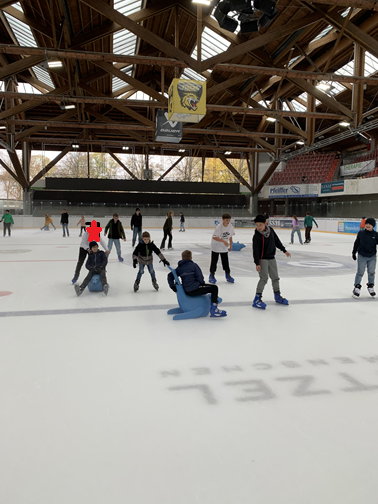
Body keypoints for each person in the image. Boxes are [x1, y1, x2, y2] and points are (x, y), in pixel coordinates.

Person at [168, 249, 227, 318]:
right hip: (195, 289)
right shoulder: (194, 265)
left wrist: (174, 288)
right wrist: (202, 285)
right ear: (191, 258)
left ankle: (213, 307)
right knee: (214, 288)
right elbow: (200, 278)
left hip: (186, 290)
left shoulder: (179, 268)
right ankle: (214, 309)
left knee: (210, 288)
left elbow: (170, 276)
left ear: (182, 258)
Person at [252, 214, 291, 309]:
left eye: (260, 225)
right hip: (262, 259)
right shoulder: (256, 236)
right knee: (264, 278)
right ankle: (257, 298)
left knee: (275, 278)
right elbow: (255, 250)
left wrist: (284, 250)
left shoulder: (271, 231)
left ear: (265, 223)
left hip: (272, 258)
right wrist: (257, 263)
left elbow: (276, 241)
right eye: (256, 225)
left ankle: (277, 296)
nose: (258, 227)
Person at [352, 217, 378, 298]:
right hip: (362, 255)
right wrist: (354, 252)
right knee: (360, 272)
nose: (368, 225)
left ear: (373, 225)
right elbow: (356, 243)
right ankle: (357, 287)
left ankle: (370, 286)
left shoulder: (376, 234)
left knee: (371, 272)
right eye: (366, 224)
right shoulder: (361, 233)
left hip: (372, 256)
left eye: (369, 224)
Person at [209, 212, 235, 284]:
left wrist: (231, 245)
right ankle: (212, 275)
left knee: (225, 262)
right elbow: (214, 237)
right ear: (223, 220)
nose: (228, 222)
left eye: (229, 220)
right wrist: (223, 241)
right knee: (214, 261)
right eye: (226, 220)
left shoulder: (230, 226)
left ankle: (228, 275)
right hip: (216, 246)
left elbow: (230, 236)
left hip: (224, 247)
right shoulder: (219, 227)